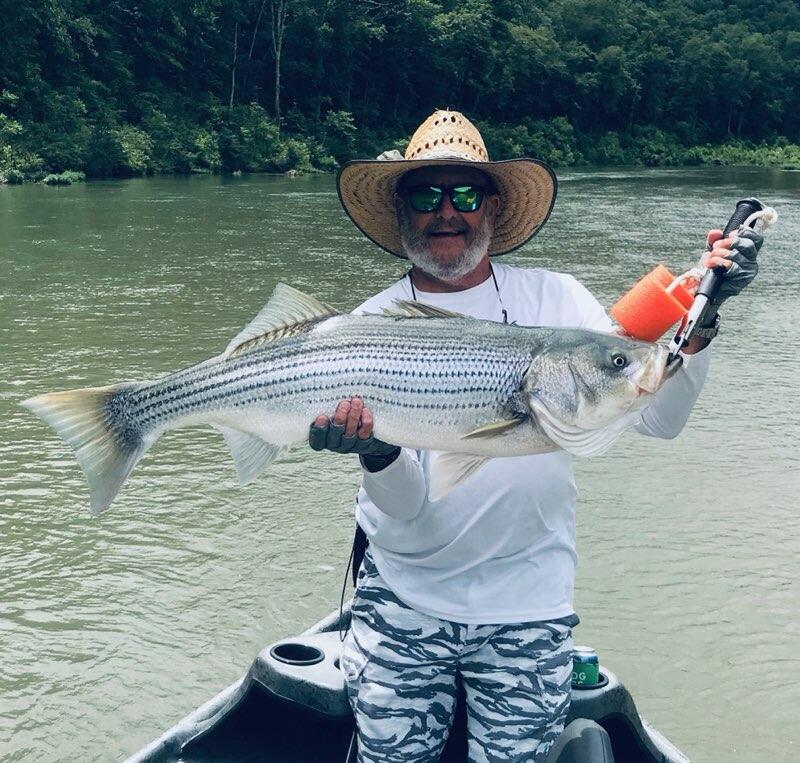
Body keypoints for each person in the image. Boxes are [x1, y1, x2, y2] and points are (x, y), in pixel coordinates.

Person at [309, 110, 761, 762]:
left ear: (492, 206)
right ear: (402, 210)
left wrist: (703, 316)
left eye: (465, 195)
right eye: (425, 195)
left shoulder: (558, 301)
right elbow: (405, 505)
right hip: (402, 599)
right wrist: (377, 450)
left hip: (527, 605)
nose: (446, 212)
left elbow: (659, 418)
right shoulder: (367, 326)